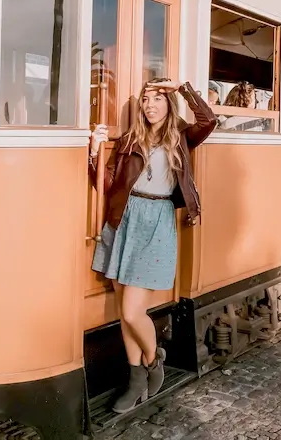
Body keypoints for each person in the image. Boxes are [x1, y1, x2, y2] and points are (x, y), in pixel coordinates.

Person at [88, 78, 217, 413]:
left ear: (168, 103)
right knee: (123, 312)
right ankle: (135, 381)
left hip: (157, 221)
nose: (149, 105)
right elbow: (108, 182)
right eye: (145, 99)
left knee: (133, 311)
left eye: (157, 99)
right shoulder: (131, 138)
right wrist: (93, 151)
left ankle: (153, 358)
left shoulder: (182, 136)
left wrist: (181, 87)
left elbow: (209, 120)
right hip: (124, 219)